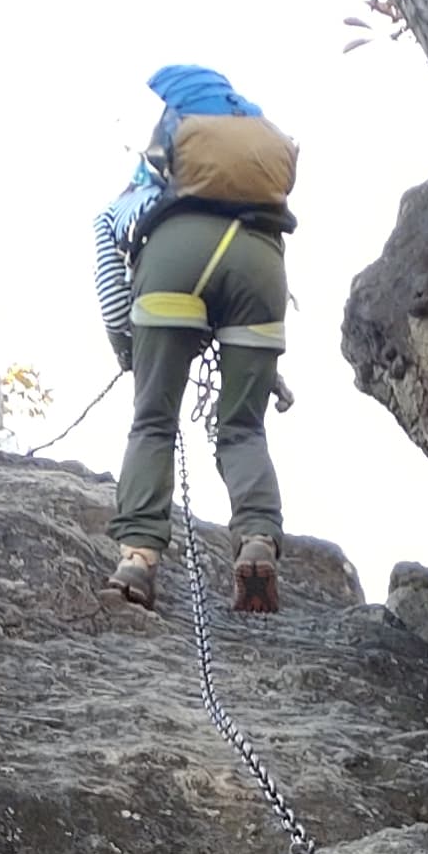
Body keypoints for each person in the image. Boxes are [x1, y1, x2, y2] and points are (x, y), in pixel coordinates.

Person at [93, 60, 297, 615]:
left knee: (155, 420)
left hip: (173, 262)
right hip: (261, 266)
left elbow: (107, 242)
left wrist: (126, 341)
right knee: (243, 426)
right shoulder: (255, 169)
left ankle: (137, 558)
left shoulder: (155, 170)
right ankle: (256, 538)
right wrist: (261, 369)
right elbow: (238, 288)